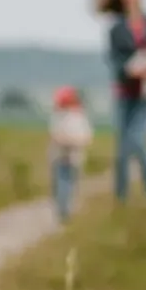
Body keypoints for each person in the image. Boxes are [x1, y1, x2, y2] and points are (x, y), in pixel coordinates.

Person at [94, 0, 146, 199]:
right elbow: (113, 59)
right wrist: (129, 71)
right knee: (122, 149)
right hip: (124, 91)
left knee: (138, 140)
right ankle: (121, 196)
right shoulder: (116, 28)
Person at [49, 86, 93, 222]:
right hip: (60, 156)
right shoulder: (58, 117)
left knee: (68, 184)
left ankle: (66, 210)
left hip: (73, 157)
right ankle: (63, 209)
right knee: (61, 184)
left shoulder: (79, 118)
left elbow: (86, 138)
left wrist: (71, 142)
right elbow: (54, 135)